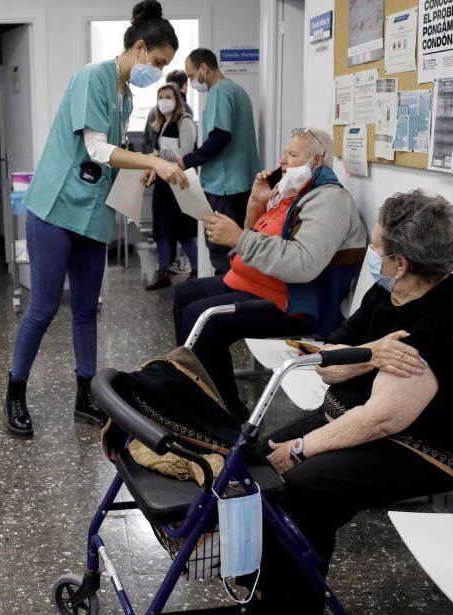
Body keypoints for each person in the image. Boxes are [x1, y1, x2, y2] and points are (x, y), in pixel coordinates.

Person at [213, 191, 453, 615]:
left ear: (400, 260)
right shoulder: (388, 294)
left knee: (300, 488)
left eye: (376, 247)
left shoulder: (446, 318)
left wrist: (301, 449)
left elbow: (382, 420)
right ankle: (263, 602)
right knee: (256, 463)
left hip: (428, 447)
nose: (372, 255)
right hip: (363, 417)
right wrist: (371, 353)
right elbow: (330, 364)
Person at [4, 0, 188, 439]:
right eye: (158, 63)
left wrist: (141, 165)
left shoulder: (125, 95)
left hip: (91, 212)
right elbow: (94, 149)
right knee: (45, 307)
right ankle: (15, 393)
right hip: (55, 207)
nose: (159, 74)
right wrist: (154, 162)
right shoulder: (92, 77)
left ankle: (85, 394)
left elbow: (111, 154)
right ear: (140, 48)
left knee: (87, 308)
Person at [174, 128, 366, 416]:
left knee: (204, 319)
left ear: (316, 161)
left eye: (292, 154)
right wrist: (256, 202)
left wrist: (238, 238)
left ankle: (226, 415)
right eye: (284, 153)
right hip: (259, 285)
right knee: (185, 293)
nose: (283, 160)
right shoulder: (291, 194)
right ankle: (195, 389)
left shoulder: (329, 200)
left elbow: (303, 264)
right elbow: (254, 241)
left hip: (295, 304)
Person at [180, 48, 260, 275]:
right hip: (242, 185)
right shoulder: (239, 91)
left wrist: (188, 160)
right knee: (239, 249)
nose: (191, 80)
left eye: (190, 74)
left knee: (221, 251)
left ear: (204, 68)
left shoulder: (219, 92)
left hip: (223, 187)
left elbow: (220, 136)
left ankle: (221, 302)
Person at [140, 83, 198, 290]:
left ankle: (197, 270)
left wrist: (158, 155)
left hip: (180, 184)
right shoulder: (160, 124)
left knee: (183, 231)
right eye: (160, 97)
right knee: (162, 231)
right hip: (164, 185)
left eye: (168, 97)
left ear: (177, 100)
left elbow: (187, 154)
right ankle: (163, 272)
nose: (163, 101)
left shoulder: (185, 121)